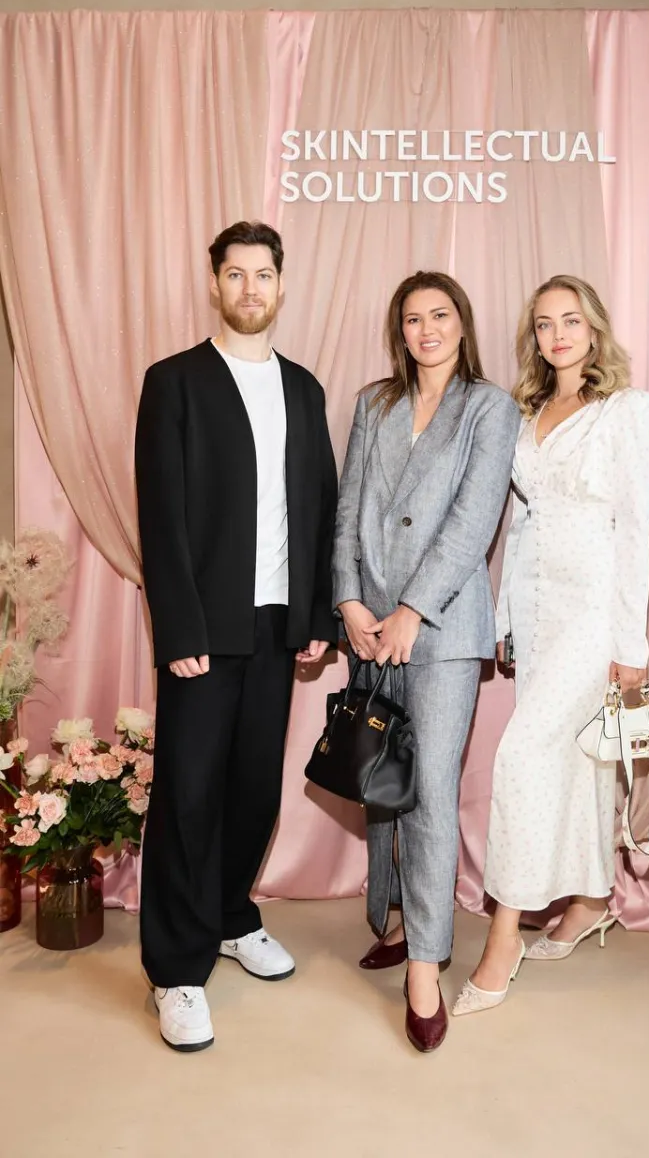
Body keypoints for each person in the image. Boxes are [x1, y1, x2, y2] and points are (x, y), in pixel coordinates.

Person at [135, 220, 338, 1051]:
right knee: (188, 792)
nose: (250, 288)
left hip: (277, 624)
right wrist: (179, 625)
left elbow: (320, 509)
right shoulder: (174, 382)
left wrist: (317, 616)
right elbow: (161, 514)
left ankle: (229, 916)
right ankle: (175, 969)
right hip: (205, 626)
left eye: (263, 275)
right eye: (235, 275)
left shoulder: (304, 389)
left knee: (255, 788)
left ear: (282, 286)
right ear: (214, 284)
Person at [453, 274, 649, 1017]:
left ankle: (503, 935)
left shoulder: (627, 411)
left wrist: (631, 644)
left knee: (522, 756)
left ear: (594, 328)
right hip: (538, 612)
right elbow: (521, 525)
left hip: (594, 613)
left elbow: (634, 533)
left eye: (571, 320)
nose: (558, 335)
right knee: (577, 763)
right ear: (534, 338)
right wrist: (505, 618)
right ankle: (592, 899)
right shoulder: (526, 413)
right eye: (544, 324)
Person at [333, 270, 519, 1052]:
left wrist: (413, 610)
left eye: (440, 315)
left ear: (462, 325)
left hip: (440, 630)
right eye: (413, 319)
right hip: (370, 627)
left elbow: (475, 521)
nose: (427, 329)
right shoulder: (373, 405)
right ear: (399, 331)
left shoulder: (490, 408)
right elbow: (346, 509)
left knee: (432, 791)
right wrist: (348, 601)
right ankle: (397, 919)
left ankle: (424, 965)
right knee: (381, 779)